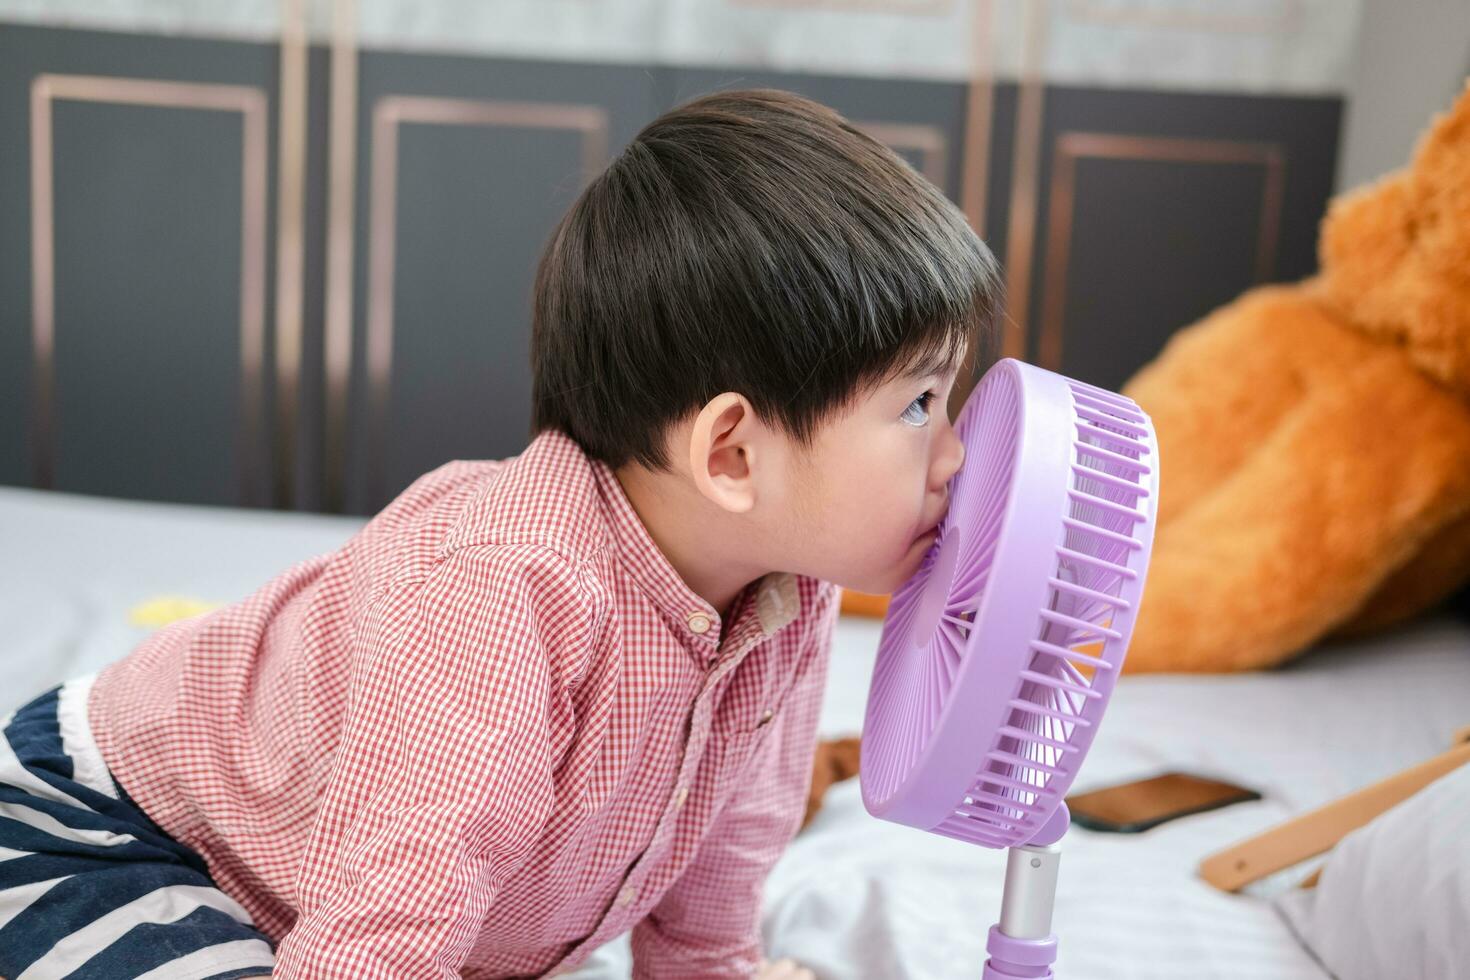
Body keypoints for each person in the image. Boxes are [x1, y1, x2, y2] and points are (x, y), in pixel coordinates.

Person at [0, 87, 1000, 979]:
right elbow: (390, 923)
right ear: (732, 453)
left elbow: (727, 848)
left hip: (314, 898)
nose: (955, 456)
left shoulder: (790, 591)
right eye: (919, 404)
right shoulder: (506, 587)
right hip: (102, 828)